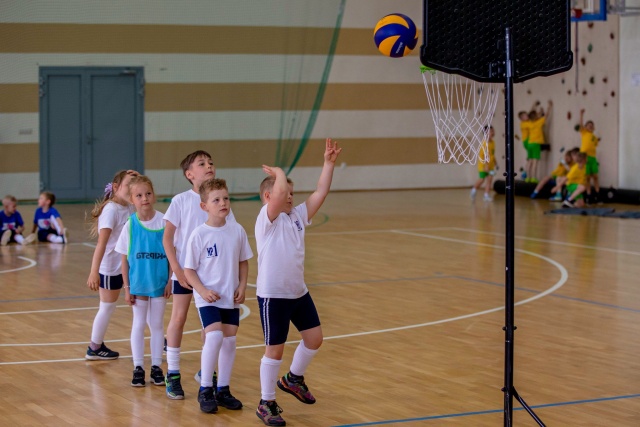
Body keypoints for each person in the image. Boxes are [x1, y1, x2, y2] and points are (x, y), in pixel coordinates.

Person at [255, 138, 342, 427]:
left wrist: (328, 164)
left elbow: (321, 192)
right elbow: (279, 191)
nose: (290, 197)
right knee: (275, 350)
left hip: (298, 293)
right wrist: (279, 172)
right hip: (274, 296)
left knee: (314, 338)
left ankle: (293, 378)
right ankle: (266, 402)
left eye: (293, 193)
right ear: (268, 197)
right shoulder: (267, 220)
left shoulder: (297, 217)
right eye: (285, 193)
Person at [163, 150, 236, 400]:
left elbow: (231, 236)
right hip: (186, 274)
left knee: (211, 326)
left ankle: (207, 371)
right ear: (189, 174)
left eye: (211, 162)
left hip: (214, 276)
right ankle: (173, 373)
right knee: (179, 318)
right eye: (202, 163)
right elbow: (167, 238)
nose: (209, 166)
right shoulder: (180, 201)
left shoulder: (221, 202)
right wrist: (176, 269)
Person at [183, 178, 253, 414]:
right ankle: (205, 389)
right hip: (207, 298)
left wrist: (242, 286)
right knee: (214, 337)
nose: (223, 203)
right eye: (216, 200)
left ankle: (223, 389)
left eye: (225, 198)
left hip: (229, 297)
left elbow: (243, 261)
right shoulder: (199, 234)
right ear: (204, 206)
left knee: (230, 341)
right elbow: (189, 270)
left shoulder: (237, 230)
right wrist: (202, 291)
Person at [115, 175, 171, 387]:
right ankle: (138, 366)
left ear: (154, 195)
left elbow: (172, 254)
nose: (144, 198)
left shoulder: (165, 221)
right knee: (138, 324)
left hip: (159, 283)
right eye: (139, 195)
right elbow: (124, 259)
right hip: (138, 284)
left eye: (148, 193)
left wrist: (170, 280)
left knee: (157, 325)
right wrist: (127, 288)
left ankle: (156, 366)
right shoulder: (130, 225)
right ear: (132, 200)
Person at [85, 170, 138, 360]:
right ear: (116, 187)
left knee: (142, 304)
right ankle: (94, 347)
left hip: (130, 266)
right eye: (128, 184)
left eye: (134, 185)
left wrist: (138, 180)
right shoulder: (111, 210)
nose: (132, 188)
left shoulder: (130, 207)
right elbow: (101, 244)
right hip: (111, 268)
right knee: (107, 307)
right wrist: (94, 272)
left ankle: (160, 339)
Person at [525, 100, 553, 183]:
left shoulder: (529, 123)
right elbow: (546, 115)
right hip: (536, 144)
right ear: (536, 117)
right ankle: (534, 177)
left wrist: (534, 105)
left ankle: (528, 177)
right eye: (537, 114)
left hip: (529, 144)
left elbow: (530, 114)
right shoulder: (539, 122)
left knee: (530, 161)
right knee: (535, 162)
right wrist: (549, 106)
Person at [579, 109, 600, 204]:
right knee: (587, 177)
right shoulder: (584, 133)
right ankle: (589, 195)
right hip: (585, 158)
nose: (590, 126)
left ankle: (597, 195)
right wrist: (581, 114)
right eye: (588, 125)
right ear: (586, 127)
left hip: (593, 158)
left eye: (592, 125)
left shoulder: (594, 137)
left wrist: (598, 140)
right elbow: (580, 125)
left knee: (595, 177)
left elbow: (594, 145)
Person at [470, 126, 496, 202]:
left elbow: (492, 154)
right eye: (490, 131)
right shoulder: (484, 144)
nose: (492, 132)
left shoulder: (493, 143)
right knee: (482, 179)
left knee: (489, 180)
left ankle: (486, 195)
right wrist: (486, 166)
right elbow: (484, 156)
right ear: (485, 133)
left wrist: (495, 162)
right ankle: (474, 189)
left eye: (493, 131)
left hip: (490, 165)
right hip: (483, 165)